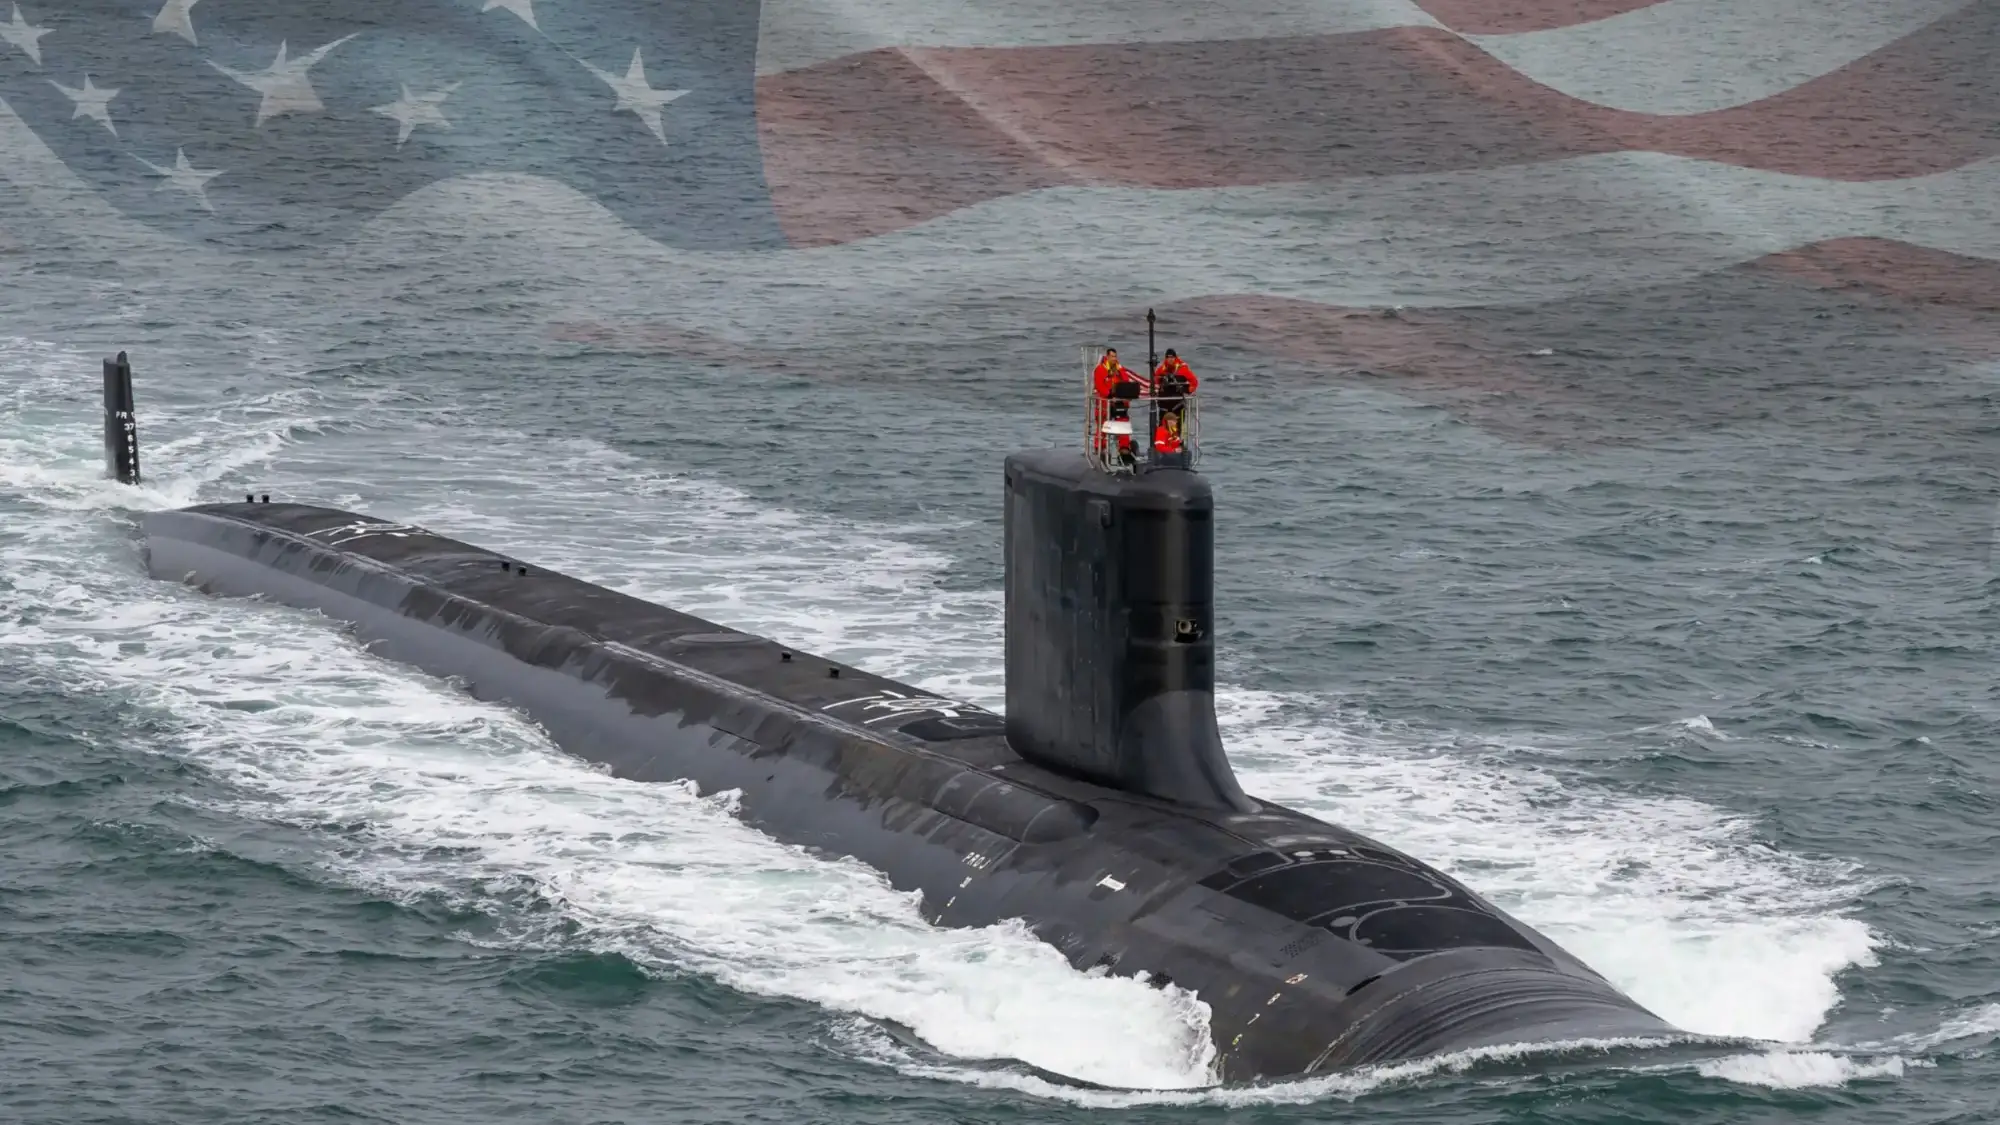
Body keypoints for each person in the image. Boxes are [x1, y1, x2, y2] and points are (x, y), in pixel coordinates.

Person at [1092, 348, 1145, 463]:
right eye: (1112, 357)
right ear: (1107, 357)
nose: (1114, 359)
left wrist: (1120, 375)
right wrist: (1109, 394)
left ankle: (1124, 449)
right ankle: (1100, 447)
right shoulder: (1100, 369)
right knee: (1102, 424)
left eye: (1115, 356)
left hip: (1119, 402)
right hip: (1105, 402)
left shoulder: (1119, 369)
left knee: (1123, 424)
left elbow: (1125, 381)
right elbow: (1100, 385)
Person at [1151, 348, 1197, 427]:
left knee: (1178, 427)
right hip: (1164, 403)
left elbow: (1194, 382)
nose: (1170, 359)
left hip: (1177, 404)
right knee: (1162, 426)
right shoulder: (1161, 370)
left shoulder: (1183, 369)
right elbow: (1155, 381)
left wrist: (1185, 389)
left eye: (1172, 357)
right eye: (1168, 357)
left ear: (1175, 358)